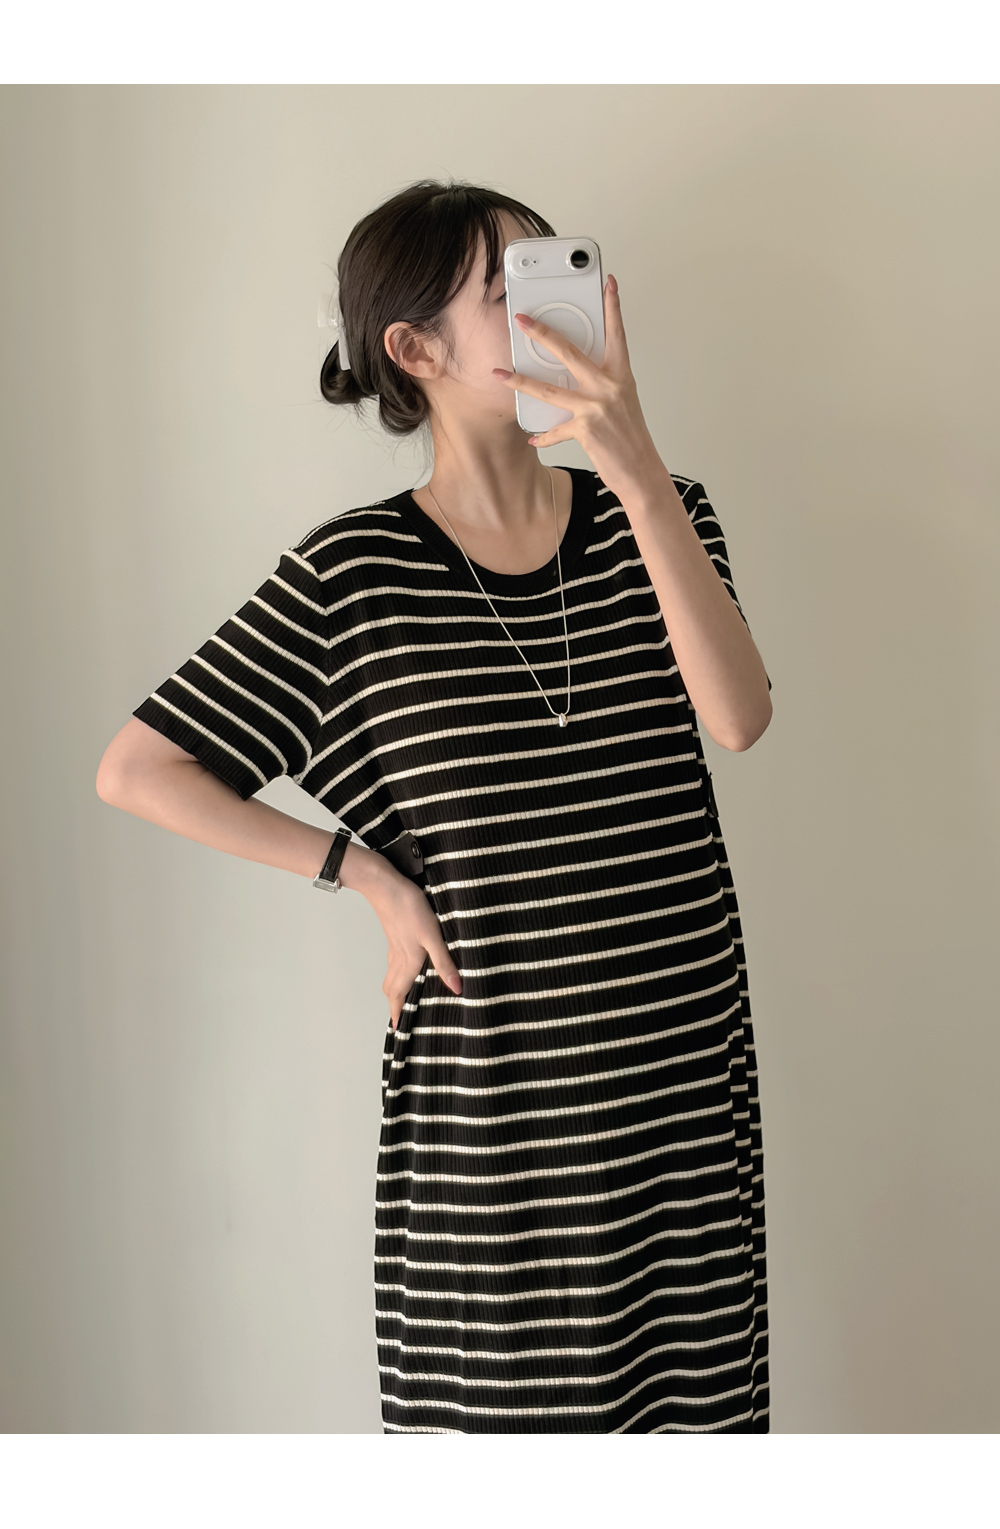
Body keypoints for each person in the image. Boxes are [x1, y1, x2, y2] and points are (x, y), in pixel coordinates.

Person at [97, 178, 774, 1433]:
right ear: (415, 349)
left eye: (558, 274)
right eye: (506, 291)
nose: (549, 312)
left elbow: (736, 717)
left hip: (676, 1089)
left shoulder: (664, 516)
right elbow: (140, 767)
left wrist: (635, 472)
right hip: (495, 1117)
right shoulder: (352, 575)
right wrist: (362, 871)